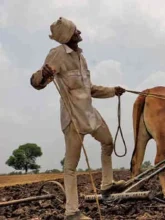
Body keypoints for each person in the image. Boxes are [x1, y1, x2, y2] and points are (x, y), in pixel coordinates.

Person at [30, 17, 126, 220]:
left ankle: (107, 185)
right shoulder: (57, 54)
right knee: (71, 165)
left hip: (89, 113)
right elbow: (38, 82)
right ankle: (72, 212)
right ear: (67, 35)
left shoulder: (81, 57)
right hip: (72, 116)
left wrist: (113, 91)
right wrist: (41, 75)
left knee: (108, 142)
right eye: (75, 30)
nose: (79, 32)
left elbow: (89, 89)